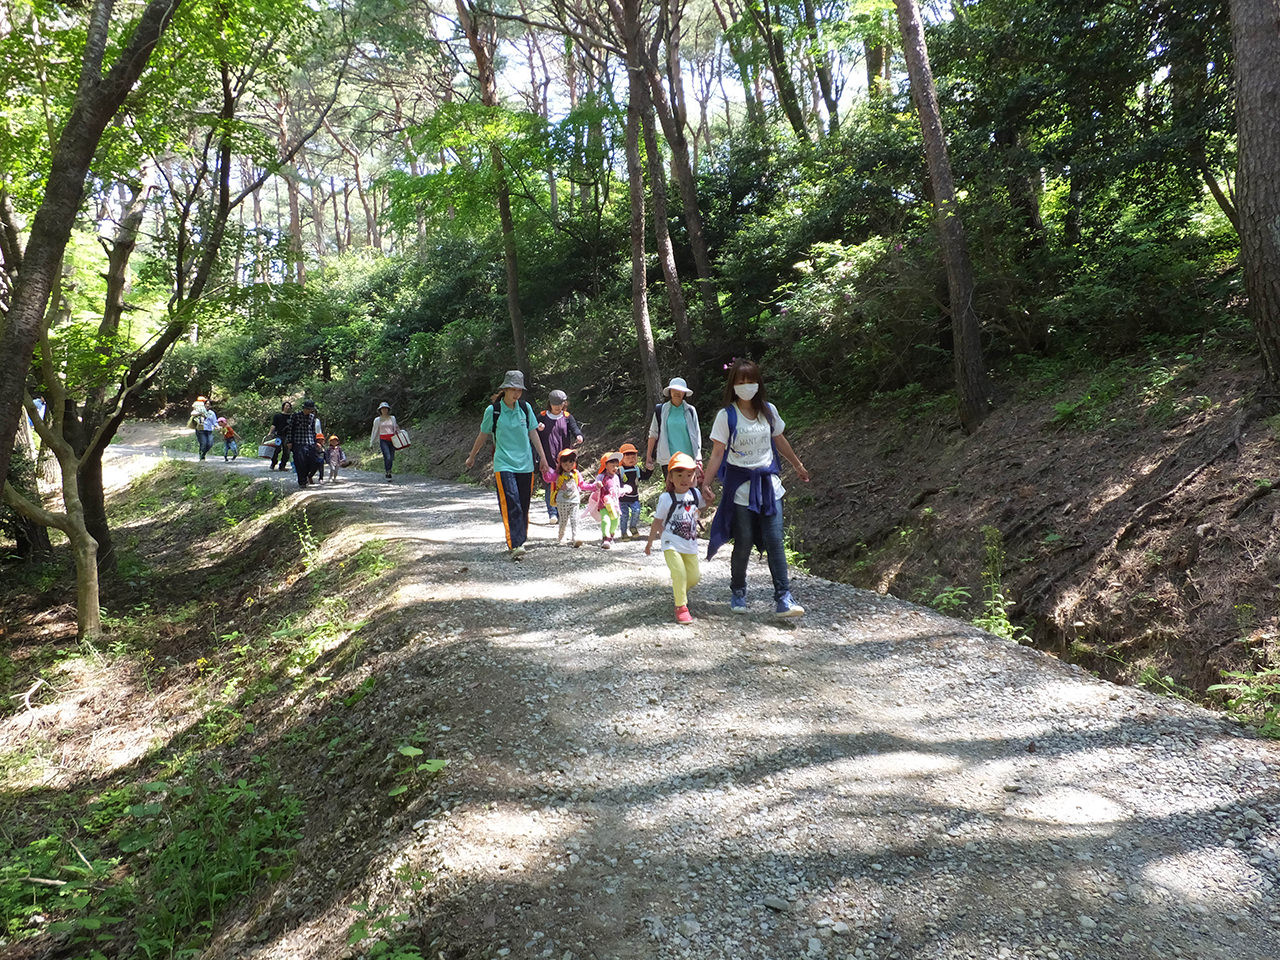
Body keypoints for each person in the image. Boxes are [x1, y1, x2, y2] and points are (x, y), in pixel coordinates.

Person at [701, 358, 810, 618]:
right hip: (740, 489)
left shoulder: (768, 411)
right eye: (741, 381)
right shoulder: (726, 416)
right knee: (744, 542)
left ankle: (783, 598)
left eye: (751, 380)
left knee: (775, 541)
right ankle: (738, 590)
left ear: (758, 383)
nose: (746, 385)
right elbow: (717, 453)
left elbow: (779, 439)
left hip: (770, 487)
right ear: (733, 385)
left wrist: (798, 465)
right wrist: (705, 483)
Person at [464, 370, 552, 559]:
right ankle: (515, 543)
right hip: (504, 464)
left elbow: (533, 433)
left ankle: (520, 539)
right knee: (511, 501)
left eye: (519, 390)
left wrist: (543, 458)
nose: (516, 393)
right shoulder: (493, 411)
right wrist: (472, 456)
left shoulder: (525, 408)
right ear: (505, 389)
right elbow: (483, 435)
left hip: (526, 464)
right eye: (513, 389)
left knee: (524, 504)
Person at [645, 452, 704, 624]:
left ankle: (680, 590)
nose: (684, 479)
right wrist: (650, 543)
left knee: (694, 577)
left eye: (689, 475)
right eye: (679, 475)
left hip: (689, 542)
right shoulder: (666, 498)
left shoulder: (695, 494)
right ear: (670, 477)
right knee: (679, 573)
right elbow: (657, 522)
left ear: (694, 476)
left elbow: (699, 511)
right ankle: (681, 607)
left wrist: (709, 500)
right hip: (670, 541)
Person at [535, 389, 583, 523]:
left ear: (564, 403)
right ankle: (552, 513)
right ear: (549, 403)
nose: (557, 407)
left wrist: (579, 436)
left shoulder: (567, 417)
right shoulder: (542, 417)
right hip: (547, 456)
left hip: (564, 458)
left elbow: (575, 429)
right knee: (550, 484)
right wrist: (537, 428)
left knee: (565, 483)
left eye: (560, 404)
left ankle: (563, 512)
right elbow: (532, 431)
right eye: (554, 404)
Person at [646, 377, 703, 479]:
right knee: (671, 487)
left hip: (689, 459)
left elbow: (697, 433)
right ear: (670, 391)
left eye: (680, 390)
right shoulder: (661, 410)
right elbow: (653, 433)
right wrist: (649, 456)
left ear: (684, 393)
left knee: (688, 486)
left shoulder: (690, 410)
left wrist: (698, 457)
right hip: (668, 459)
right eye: (674, 390)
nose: (677, 393)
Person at [587, 451, 631, 549]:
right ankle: (605, 538)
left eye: (617, 466)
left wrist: (625, 490)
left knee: (615, 521)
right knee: (606, 520)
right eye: (612, 465)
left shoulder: (616, 477)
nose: (615, 468)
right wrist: (597, 485)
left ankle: (611, 536)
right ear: (605, 465)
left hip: (614, 504)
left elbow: (617, 491)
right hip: (603, 503)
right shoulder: (601, 476)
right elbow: (594, 486)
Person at [550, 448, 592, 547]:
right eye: (565, 463)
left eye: (571, 462)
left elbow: (582, 485)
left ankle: (575, 537)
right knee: (563, 520)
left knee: (575, 519)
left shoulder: (576, 473)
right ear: (560, 463)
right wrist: (545, 471)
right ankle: (561, 536)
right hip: (562, 501)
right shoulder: (557, 474)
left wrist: (594, 486)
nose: (568, 466)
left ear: (574, 462)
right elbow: (548, 478)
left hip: (575, 501)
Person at [286, 399, 323, 488]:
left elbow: (313, 431)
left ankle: (307, 476)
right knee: (300, 463)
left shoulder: (312, 417)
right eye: (309, 409)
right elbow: (290, 429)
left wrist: (317, 442)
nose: (310, 411)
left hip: (310, 443)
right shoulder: (295, 416)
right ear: (305, 408)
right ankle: (302, 481)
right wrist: (289, 441)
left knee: (313, 461)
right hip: (298, 442)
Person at [617, 442, 649, 538]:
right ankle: (623, 532)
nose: (631, 460)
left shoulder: (637, 469)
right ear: (621, 459)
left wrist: (650, 470)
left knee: (637, 511)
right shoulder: (619, 471)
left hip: (634, 498)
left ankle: (633, 527)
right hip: (622, 499)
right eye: (628, 458)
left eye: (633, 457)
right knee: (624, 515)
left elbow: (645, 477)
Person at [370, 401, 401, 482]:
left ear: (388, 409)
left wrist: (399, 433)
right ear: (380, 410)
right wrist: (372, 442)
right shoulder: (377, 420)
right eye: (383, 409)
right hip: (383, 440)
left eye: (386, 408)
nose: (384, 410)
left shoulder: (392, 418)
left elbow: (395, 428)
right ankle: (388, 472)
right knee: (387, 457)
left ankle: (389, 470)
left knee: (391, 457)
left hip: (392, 439)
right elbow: (375, 431)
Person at [268, 401, 293, 471]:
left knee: (286, 452)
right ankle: (273, 463)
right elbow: (273, 425)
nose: (288, 407)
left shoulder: (292, 417)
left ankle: (282, 466)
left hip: (288, 436)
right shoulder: (277, 416)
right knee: (276, 450)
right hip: (278, 435)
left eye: (289, 406)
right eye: (286, 406)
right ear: (283, 407)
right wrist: (270, 433)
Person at [189, 396, 215, 460]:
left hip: (209, 430)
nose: (207, 405)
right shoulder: (199, 410)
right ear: (204, 404)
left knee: (210, 444)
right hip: (200, 430)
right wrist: (201, 413)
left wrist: (218, 427)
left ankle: (203, 454)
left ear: (211, 406)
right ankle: (201, 457)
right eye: (206, 404)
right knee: (203, 443)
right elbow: (192, 413)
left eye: (209, 404)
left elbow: (215, 421)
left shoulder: (212, 413)